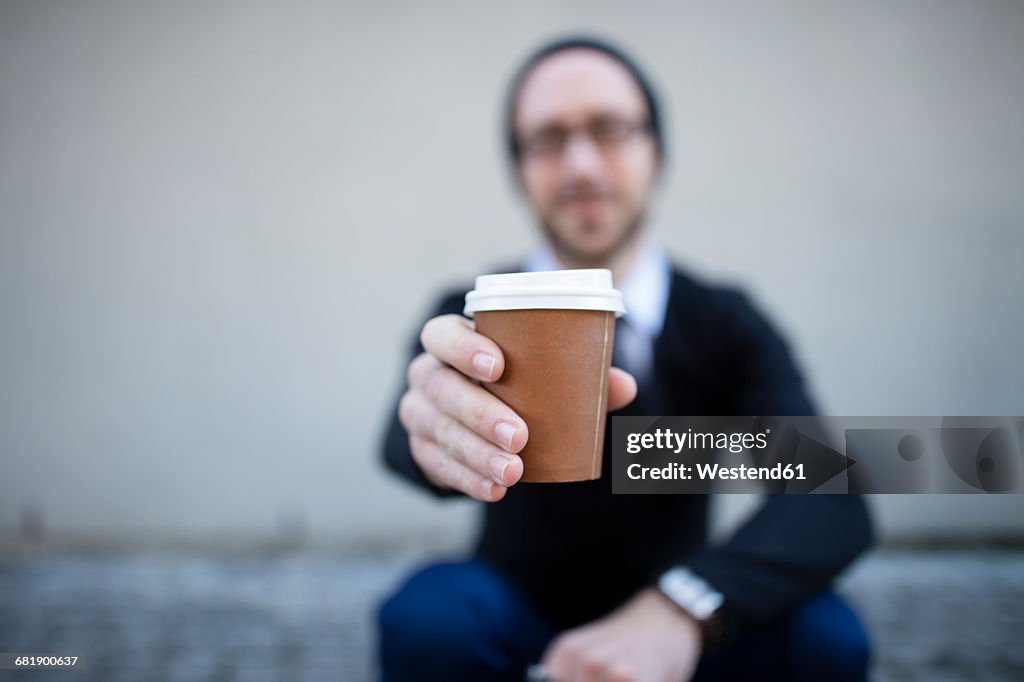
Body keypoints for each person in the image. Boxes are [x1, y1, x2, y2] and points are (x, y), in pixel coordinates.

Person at [378, 36, 873, 682]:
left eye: (610, 130)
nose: (581, 164)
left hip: (688, 627)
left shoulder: (726, 322)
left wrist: (680, 610)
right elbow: (400, 441)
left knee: (826, 636)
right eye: (548, 139)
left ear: (656, 151)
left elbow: (829, 497)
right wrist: (431, 429)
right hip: (512, 614)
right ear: (520, 168)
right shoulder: (472, 310)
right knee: (428, 616)